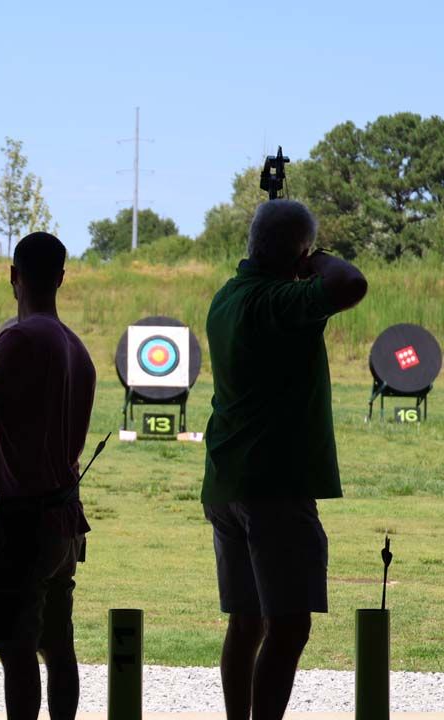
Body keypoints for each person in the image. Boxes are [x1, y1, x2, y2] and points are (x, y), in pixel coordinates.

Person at [202, 200, 368, 720]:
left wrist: (297, 260)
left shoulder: (227, 296)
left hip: (227, 482)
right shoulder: (277, 301)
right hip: (274, 485)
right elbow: (351, 284)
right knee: (290, 625)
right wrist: (315, 259)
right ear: (296, 253)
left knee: (246, 622)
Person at [0, 232, 97, 720]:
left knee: (17, 653)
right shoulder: (77, 348)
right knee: (58, 649)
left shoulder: (20, 338)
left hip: (22, 527)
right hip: (62, 526)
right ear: (60, 277)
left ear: (14, 277)